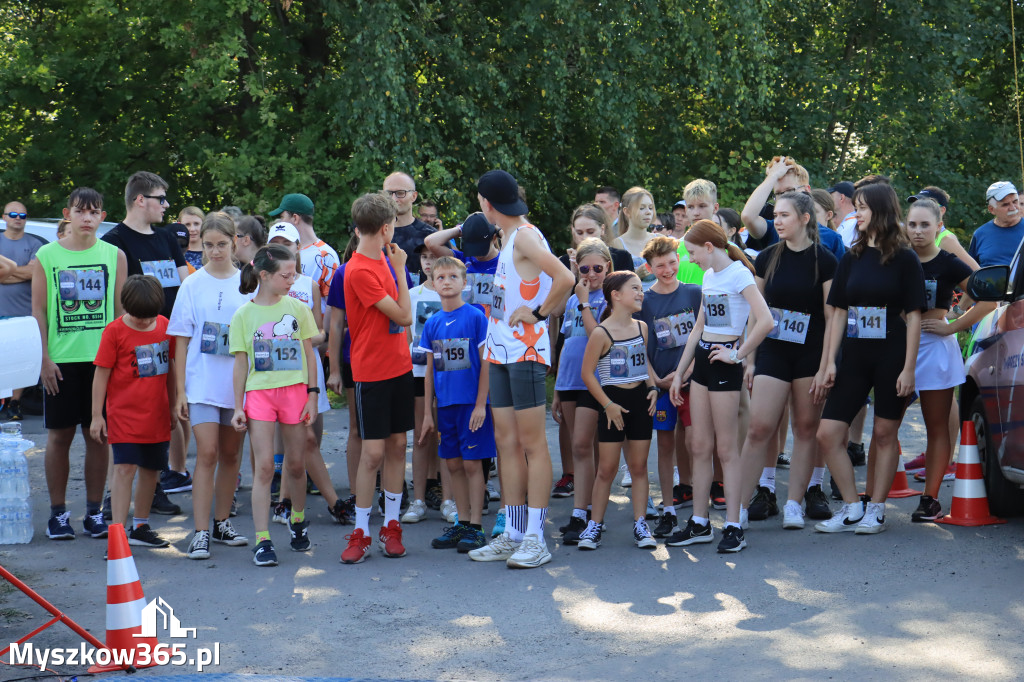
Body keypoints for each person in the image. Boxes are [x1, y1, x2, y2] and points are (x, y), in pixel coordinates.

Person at [468, 169, 573, 568]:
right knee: (506, 443)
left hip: (526, 352)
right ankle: (512, 534)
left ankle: (535, 538)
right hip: (500, 352)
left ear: (487, 202)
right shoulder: (510, 236)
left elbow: (564, 276)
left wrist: (539, 313)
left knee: (531, 444)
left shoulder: (526, 235)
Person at [814, 183, 926, 534]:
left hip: (892, 356)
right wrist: (829, 361)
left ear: (880, 211)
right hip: (855, 356)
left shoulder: (905, 258)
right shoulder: (852, 256)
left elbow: (914, 318)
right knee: (828, 434)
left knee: (883, 433)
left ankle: (876, 508)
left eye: (862, 208)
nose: (856, 214)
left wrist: (909, 369)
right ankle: (851, 507)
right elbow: (838, 313)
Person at [668, 220, 773, 553]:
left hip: (725, 363)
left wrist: (738, 354)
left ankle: (733, 525)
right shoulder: (710, 276)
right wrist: (679, 372)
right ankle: (700, 522)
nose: (692, 259)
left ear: (709, 247)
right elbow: (699, 327)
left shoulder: (739, 275)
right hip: (702, 362)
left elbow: (766, 320)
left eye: (693, 252)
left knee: (726, 448)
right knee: (699, 444)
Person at [31, 188, 127, 540]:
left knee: (97, 436)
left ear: (103, 216)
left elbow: (120, 313)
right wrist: (42, 357)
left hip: (102, 361)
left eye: (94, 212)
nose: (87, 218)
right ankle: (58, 514)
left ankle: (93, 512)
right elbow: (38, 310)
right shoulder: (47, 254)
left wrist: (120, 359)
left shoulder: (114, 254)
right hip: (60, 360)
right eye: (80, 211)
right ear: (67, 214)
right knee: (59, 437)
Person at [738, 191, 837, 532]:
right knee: (759, 427)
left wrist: (827, 364)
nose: (777, 221)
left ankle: (794, 503)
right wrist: (749, 359)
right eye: (775, 216)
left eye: (783, 216)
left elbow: (831, 316)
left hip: (811, 354)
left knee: (806, 428)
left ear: (805, 219)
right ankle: (739, 506)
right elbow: (756, 312)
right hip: (773, 351)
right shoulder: (767, 257)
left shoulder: (825, 260)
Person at [102, 171, 192, 503]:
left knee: (165, 416)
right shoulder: (115, 241)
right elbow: (116, 299)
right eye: (161, 198)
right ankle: (117, 495)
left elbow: (186, 286)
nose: (167, 206)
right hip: (133, 344)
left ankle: (155, 489)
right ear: (141, 200)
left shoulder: (168, 237)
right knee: (128, 422)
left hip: (170, 341)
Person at [230, 244, 319, 567]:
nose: (292, 280)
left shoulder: (297, 308)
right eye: (286, 275)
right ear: (264, 276)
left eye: (293, 274)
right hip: (259, 396)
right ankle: (262, 539)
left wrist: (312, 394)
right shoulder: (243, 314)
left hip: (294, 392)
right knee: (265, 467)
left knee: (296, 464)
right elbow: (240, 363)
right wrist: (237, 406)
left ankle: (297, 520)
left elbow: (309, 354)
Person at [168, 213, 251, 559]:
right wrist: (180, 392)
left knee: (231, 455)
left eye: (221, 244)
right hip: (200, 383)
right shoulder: (192, 284)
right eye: (208, 245)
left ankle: (221, 522)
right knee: (207, 453)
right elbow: (182, 342)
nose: (215, 252)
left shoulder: (249, 283)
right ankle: (200, 531)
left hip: (237, 386)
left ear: (235, 241)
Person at [339, 192, 415, 564]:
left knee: (398, 445)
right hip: (371, 373)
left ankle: (392, 525)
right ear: (386, 229)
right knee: (373, 453)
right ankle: (361, 530)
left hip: (400, 367)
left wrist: (394, 265)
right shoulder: (360, 270)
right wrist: (400, 269)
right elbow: (403, 316)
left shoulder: (384, 256)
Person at [905, 198, 992, 521]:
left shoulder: (949, 261)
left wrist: (952, 325)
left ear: (938, 226)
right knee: (887, 426)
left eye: (925, 224)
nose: (917, 231)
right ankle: (873, 502)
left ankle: (929, 499)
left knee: (937, 427)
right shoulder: (896, 259)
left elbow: (988, 298)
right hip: (896, 349)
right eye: (912, 224)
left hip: (936, 349)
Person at [90, 275, 176, 548]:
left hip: (157, 414)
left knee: (152, 470)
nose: (144, 322)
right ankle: (117, 532)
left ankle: (140, 526)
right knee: (124, 468)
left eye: (149, 317)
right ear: (126, 307)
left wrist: (174, 404)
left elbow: (171, 369)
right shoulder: (114, 331)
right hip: (124, 415)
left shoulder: (164, 326)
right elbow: (101, 375)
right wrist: (96, 415)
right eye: (139, 317)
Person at [576, 271, 658, 549]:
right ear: (616, 295)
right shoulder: (602, 332)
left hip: (639, 402)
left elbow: (642, 362)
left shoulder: (642, 327)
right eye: (634, 288)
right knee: (607, 468)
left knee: (638, 466)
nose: (640, 293)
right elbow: (587, 374)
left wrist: (653, 387)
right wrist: (608, 405)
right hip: (612, 403)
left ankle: (641, 524)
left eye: (641, 288)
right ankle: (594, 525)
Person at [418, 256, 494, 553]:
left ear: (465, 282)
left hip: (471, 405)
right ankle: (461, 522)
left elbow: (486, 363)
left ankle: (475, 526)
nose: (447, 281)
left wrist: (480, 405)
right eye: (441, 277)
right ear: (433, 283)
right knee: (452, 464)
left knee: (473, 464)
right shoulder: (433, 322)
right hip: (445, 406)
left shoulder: (475, 317)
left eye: (453, 276)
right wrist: (427, 413)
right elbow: (429, 370)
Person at [637, 236, 701, 538]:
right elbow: (639, 345)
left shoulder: (694, 294)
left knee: (696, 443)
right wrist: (654, 380)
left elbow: (704, 337)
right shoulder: (644, 302)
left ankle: (699, 511)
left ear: (680, 260)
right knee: (664, 446)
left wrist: (686, 372)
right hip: (661, 385)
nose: (667, 269)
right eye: (660, 265)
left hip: (691, 382)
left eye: (672, 262)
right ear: (649, 267)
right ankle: (668, 510)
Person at [552, 238, 611, 543]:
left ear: (608, 268)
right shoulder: (574, 298)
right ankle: (581, 512)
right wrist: (557, 392)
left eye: (597, 268)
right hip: (569, 380)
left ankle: (592, 511)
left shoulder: (606, 299)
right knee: (578, 447)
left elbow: (597, 337)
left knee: (590, 445)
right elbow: (566, 343)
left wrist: (586, 300)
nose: (590, 273)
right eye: (584, 268)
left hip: (595, 381)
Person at [404, 245, 445, 522]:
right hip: (418, 372)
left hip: (449, 373)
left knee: (445, 436)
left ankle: (450, 499)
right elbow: (406, 335)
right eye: (424, 257)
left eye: (434, 256)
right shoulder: (411, 295)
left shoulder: (455, 292)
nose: (429, 262)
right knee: (421, 435)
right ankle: (418, 499)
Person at [740, 157, 846, 260]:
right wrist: (773, 176)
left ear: (806, 190)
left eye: (790, 190)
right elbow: (748, 216)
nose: (784, 197)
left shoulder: (831, 238)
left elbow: (839, 277)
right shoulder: (774, 229)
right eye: (778, 193)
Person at [0, 200, 46, 421]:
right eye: (13, 214)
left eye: (22, 215)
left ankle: (15, 404)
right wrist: (23, 271)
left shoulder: (35, 243)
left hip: (24, 313)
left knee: (18, 360)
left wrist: (6, 273)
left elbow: (33, 272)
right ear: (4, 217)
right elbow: (27, 271)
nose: (18, 218)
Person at [907, 187, 979, 270]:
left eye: (928, 205)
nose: (921, 208)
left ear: (942, 210)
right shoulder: (912, 236)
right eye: (917, 204)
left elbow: (976, 274)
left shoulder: (947, 240)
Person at [382, 172, 437, 281]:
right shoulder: (375, 235)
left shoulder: (431, 236)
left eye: (400, 193)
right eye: (388, 193)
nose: (394, 198)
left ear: (414, 196)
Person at [559, 203, 634, 276]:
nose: (585, 237)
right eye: (579, 233)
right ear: (573, 231)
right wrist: (573, 273)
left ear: (602, 229)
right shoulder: (565, 262)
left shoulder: (622, 258)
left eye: (590, 232)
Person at [675, 180, 718, 284]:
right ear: (685, 210)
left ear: (715, 208)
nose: (696, 213)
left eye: (702, 206)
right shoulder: (674, 248)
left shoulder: (729, 249)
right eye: (690, 207)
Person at [613, 186, 657, 276]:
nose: (648, 212)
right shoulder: (617, 244)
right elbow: (614, 282)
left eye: (650, 207)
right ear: (627, 212)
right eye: (642, 208)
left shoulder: (660, 240)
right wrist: (636, 274)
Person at [828, 181, 858, 247]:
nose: (829, 200)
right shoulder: (854, 222)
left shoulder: (850, 225)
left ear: (841, 198)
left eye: (831, 196)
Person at [178, 206, 205, 273]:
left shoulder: (213, 252)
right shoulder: (175, 253)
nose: (192, 229)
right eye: (187, 224)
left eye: (196, 224)